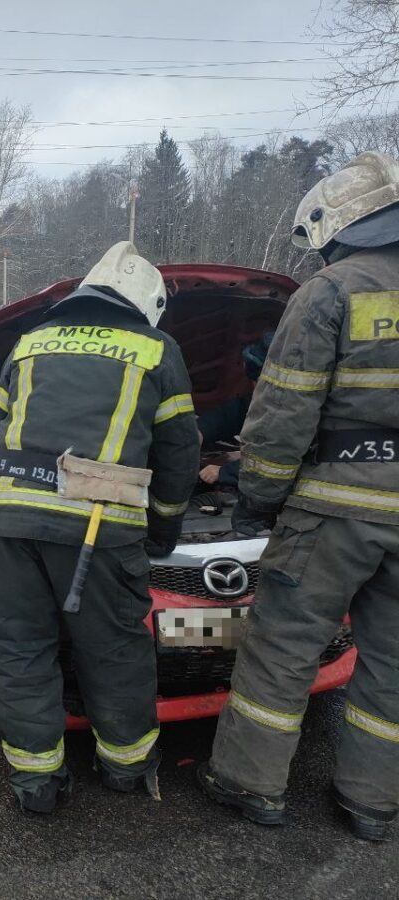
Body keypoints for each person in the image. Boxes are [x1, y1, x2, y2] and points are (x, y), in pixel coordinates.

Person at [199, 151, 399, 842]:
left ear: (336, 222)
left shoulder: (332, 292)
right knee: (393, 663)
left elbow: (283, 415)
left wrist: (255, 496)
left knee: (282, 647)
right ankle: (371, 803)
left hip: (336, 511)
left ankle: (250, 785)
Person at [0, 242, 199, 814]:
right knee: (115, 652)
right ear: (144, 303)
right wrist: (162, 531)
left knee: (20, 649)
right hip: (100, 533)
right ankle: (125, 772)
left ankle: (36, 785)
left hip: (9, 524)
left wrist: (10, 504)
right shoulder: (156, 349)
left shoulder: (30, 343)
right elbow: (179, 451)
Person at [197, 333, 273, 487]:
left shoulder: (297, 413)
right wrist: (198, 431)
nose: (254, 387)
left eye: (258, 382)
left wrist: (226, 472)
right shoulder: (264, 399)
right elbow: (234, 414)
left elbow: (277, 458)